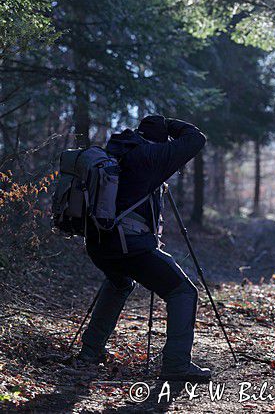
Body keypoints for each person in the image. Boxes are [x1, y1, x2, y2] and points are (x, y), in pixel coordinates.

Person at [78, 115, 211, 382]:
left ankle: (91, 351)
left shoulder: (117, 148)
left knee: (119, 283)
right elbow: (196, 138)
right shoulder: (154, 154)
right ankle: (176, 365)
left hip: (97, 241)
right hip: (130, 245)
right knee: (183, 292)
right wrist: (170, 123)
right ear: (161, 137)